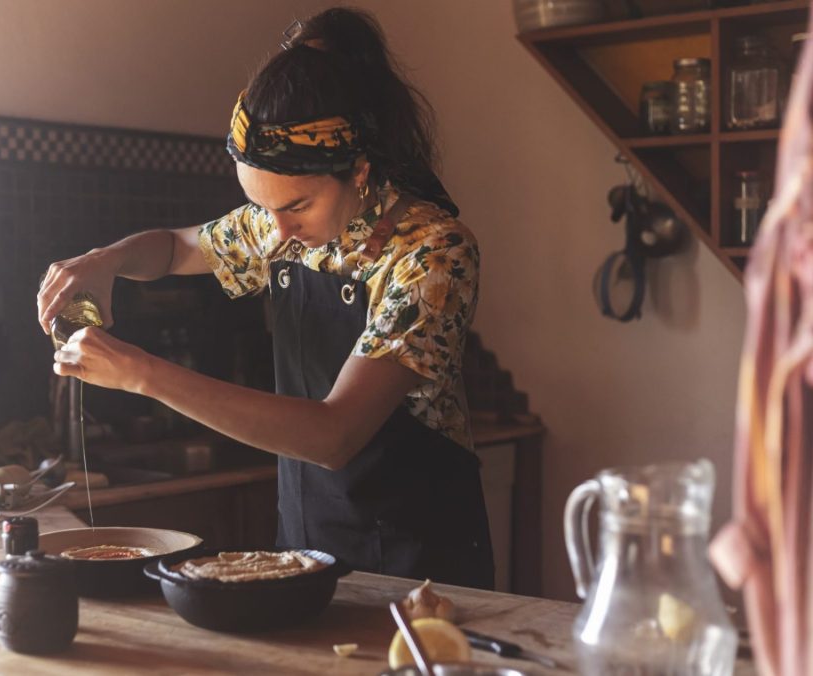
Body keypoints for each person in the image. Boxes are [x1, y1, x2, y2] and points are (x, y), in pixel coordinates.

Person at [38, 7, 493, 589]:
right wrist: (106, 261)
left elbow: (334, 435)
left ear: (359, 170)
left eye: (295, 207)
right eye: (261, 207)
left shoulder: (432, 253)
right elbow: (176, 249)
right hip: (307, 554)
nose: (274, 233)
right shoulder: (282, 229)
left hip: (423, 571)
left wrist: (143, 375)